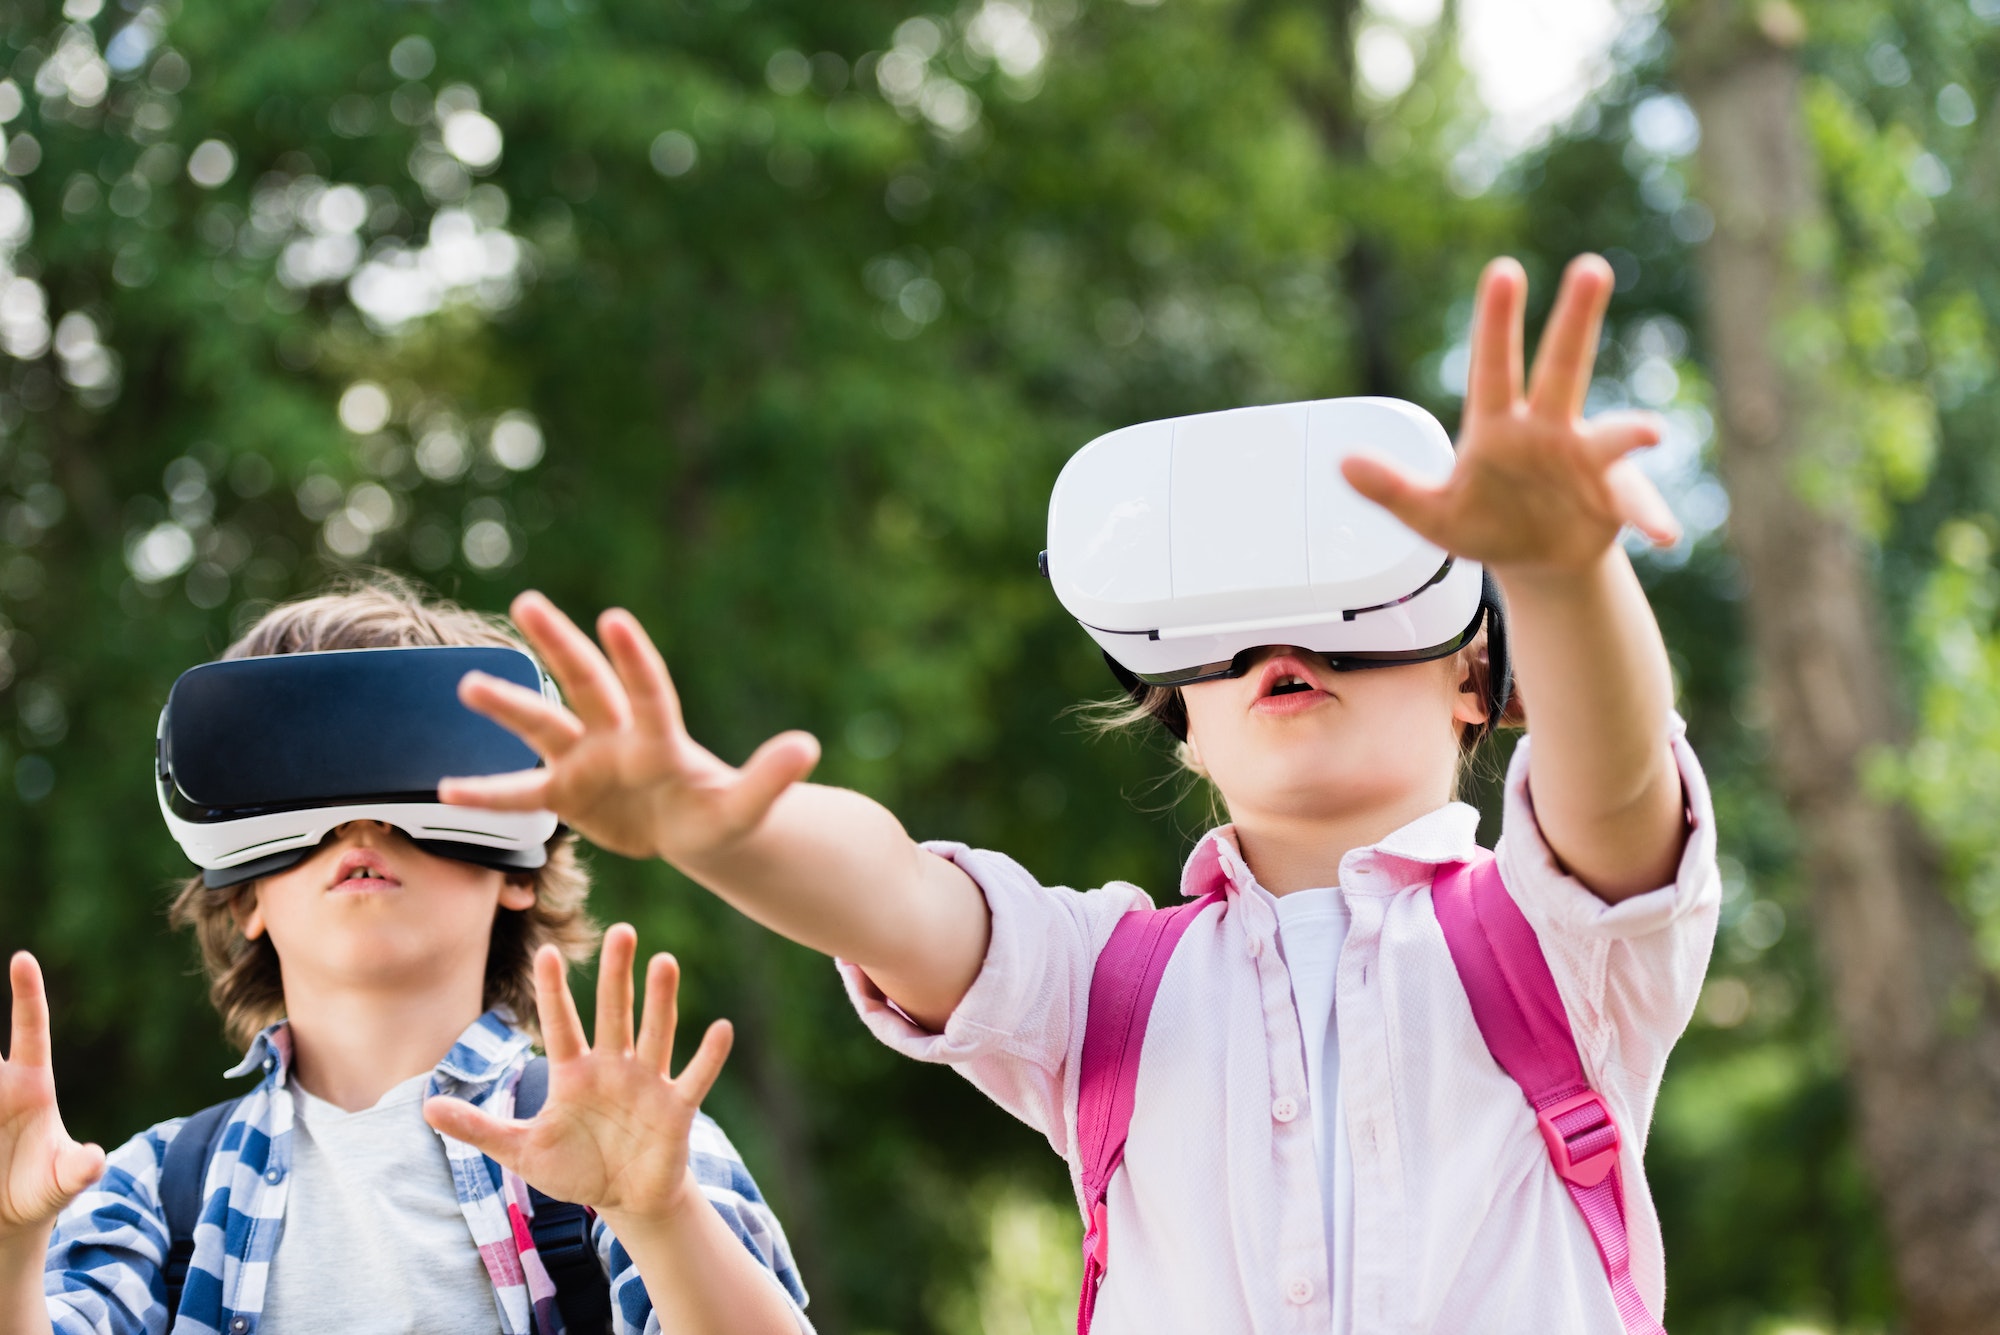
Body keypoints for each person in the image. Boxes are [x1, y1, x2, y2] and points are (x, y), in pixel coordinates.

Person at [439, 255, 1720, 1332]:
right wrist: (714, 825)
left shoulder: (1555, 949)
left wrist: (1562, 572)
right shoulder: (1103, 983)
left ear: (1472, 686)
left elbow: (1610, 782)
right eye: (1228, 644)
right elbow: (897, 897)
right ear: (1189, 737)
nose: (1284, 646)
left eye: (1344, 618)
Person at [0, 582, 811, 1335]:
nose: (360, 822)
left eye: (417, 776)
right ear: (245, 897)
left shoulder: (635, 1141)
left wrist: (662, 1217)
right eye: (302, 787)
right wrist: (6, 1248)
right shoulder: (154, 1188)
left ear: (518, 875)